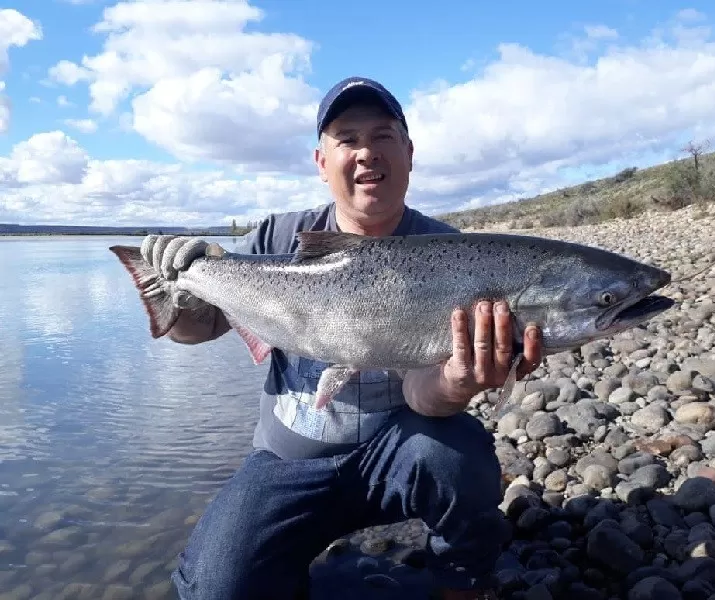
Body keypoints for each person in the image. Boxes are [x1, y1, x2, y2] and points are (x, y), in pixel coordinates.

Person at [141, 76, 543, 600]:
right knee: (216, 586)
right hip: (287, 463)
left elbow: (425, 394)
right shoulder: (274, 239)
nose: (366, 153)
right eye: (347, 139)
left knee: (459, 455)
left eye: (382, 136)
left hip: (401, 453)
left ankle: (458, 584)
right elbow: (197, 330)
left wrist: (458, 383)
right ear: (320, 160)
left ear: (409, 152)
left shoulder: (451, 254)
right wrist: (172, 286)